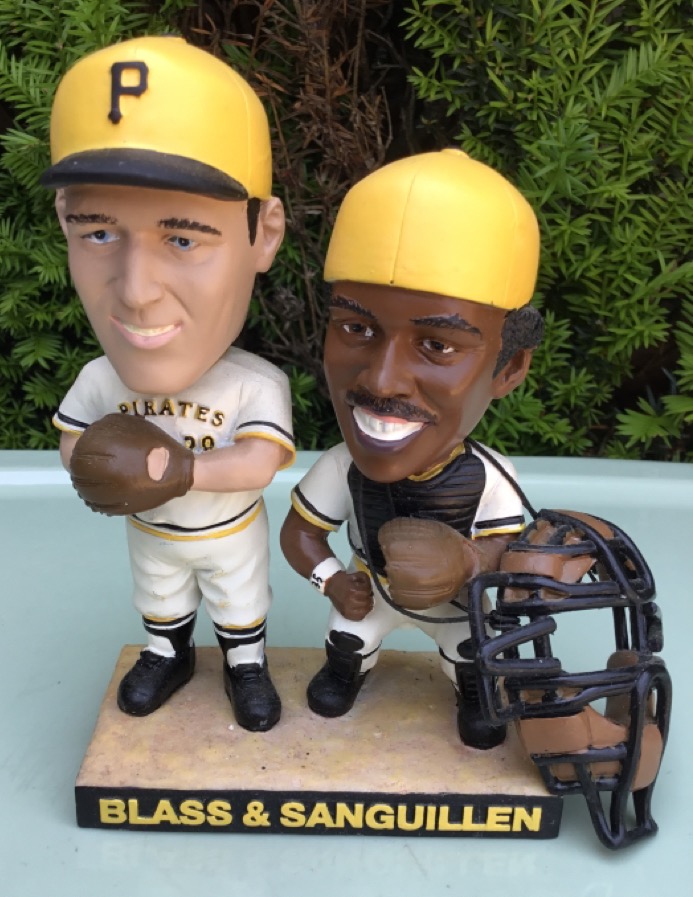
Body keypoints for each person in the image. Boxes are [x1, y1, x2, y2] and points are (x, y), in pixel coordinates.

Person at [44, 36, 294, 732]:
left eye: (183, 238)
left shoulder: (252, 383)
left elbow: (261, 460)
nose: (136, 291)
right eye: (98, 233)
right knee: (159, 601)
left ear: (265, 235)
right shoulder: (100, 379)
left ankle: (246, 665)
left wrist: (178, 469)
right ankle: (168, 655)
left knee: (239, 605)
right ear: (63, 221)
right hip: (150, 530)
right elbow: (72, 440)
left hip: (227, 530)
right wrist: (98, 464)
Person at [280, 149, 543, 749]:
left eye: (438, 345)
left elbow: (512, 550)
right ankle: (345, 672)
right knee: (348, 638)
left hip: (454, 605)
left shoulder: (488, 476)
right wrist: (331, 581)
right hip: (371, 586)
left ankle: (473, 692)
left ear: (509, 369)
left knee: (472, 651)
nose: (381, 380)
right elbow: (301, 534)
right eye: (357, 328)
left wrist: (467, 563)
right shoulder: (343, 466)